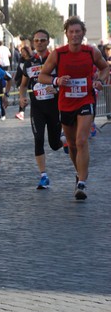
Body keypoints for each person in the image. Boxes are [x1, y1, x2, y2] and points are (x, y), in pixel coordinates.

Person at [38, 17, 109, 200]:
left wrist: (99, 81)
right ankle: (79, 173)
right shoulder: (58, 54)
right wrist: (56, 80)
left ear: (83, 33)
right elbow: (42, 76)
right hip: (65, 103)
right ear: (67, 34)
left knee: (81, 140)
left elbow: (104, 68)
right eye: (71, 31)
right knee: (71, 144)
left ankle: (82, 184)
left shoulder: (91, 52)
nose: (75, 34)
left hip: (86, 100)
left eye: (78, 31)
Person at [19, 29, 67, 190]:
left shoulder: (54, 59)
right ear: (33, 42)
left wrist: (58, 89)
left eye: (42, 40)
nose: (39, 43)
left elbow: (65, 80)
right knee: (38, 138)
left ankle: (65, 141)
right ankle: (43, 175)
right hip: (37, 108)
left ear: (48, 42)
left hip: (54, 107)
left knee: (54, 144)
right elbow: (23, 85)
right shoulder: (29, 62)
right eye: (37, 40)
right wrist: (21, 97)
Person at [14, 45, 32, 121]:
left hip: (31, 82)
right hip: (22, 82)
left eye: (24, 52)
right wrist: (16, 80)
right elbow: (19, 72)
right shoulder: (21, 61)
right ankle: (21, 112)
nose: (23, 54)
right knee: (22, 97)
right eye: (22, 52)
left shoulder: (32, 61)